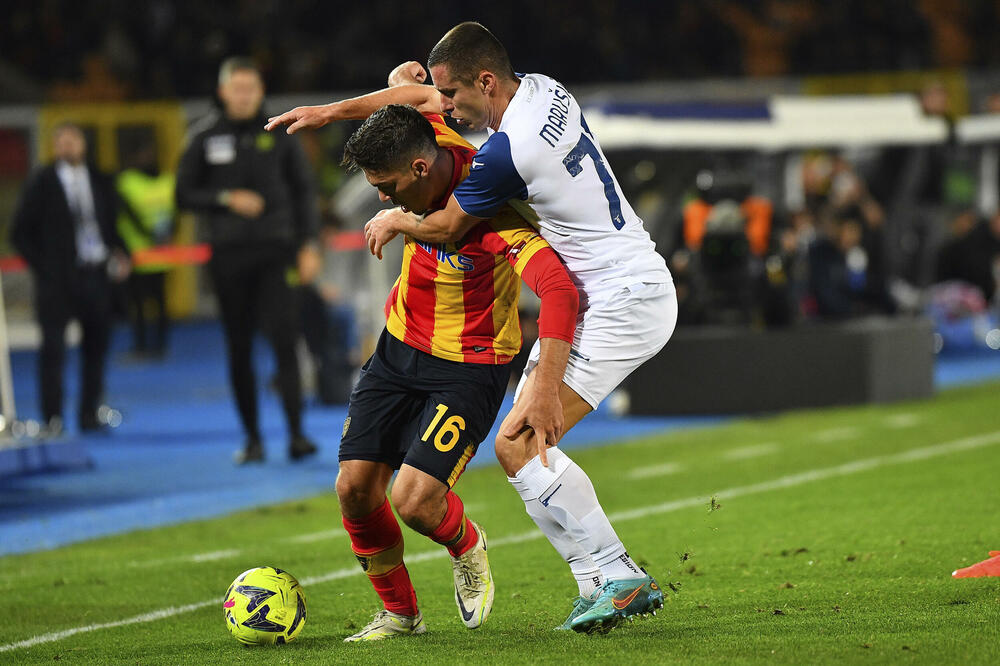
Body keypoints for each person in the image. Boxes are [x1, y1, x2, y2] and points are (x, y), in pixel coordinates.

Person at [266, 22, 675, 633]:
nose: (446, 107)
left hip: (617, 297)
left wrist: (402, 221)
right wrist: (335, 111)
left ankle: (615, 574)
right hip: (617, 285)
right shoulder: (543, 90)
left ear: (485, 82)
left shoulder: (505, 162)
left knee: (520, 438)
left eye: (453, 96)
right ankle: (600, 584)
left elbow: (455, 229)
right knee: (516, 446)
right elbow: (419, 101)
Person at [335, 105, 578, 640]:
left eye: (387, 185)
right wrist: (328, 111)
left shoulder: (498, 207)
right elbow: (407, 88)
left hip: (470, 367)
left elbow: (559, 290)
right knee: (354, 488)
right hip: (399, 347)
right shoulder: (432, 136)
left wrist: (545, 387)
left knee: (415, 501)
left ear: (420, 171)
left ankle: (466, 544)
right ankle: (400, 615)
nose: (381, 197)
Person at [175, 57, 321, 464]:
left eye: (250, 89)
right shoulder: (203, 137)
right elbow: (182, 194)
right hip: (228, 257)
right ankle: (253, 439)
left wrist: (310, 244)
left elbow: (304, 192)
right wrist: (225, 198)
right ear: (222, 92)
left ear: (260, 92)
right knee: (238, 348)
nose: (243, 96)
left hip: (277, 253)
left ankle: (296, 435)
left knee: (285, 341)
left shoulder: (280, 134)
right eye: (236, 89)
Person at [11, 123, 130, 435]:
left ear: (83, 144)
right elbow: (19, 233)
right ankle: (53, 418)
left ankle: (89, 413)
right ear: (54, 147)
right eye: (61, 142)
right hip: (58, 282)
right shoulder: (42, 182)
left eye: (72, 141)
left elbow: (110, 225)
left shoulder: (100, 179)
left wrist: (122, 253)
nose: (68, 147)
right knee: (53, 351)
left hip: (96, 275)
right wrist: (45, 269)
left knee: (97, 348)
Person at [116, 140, 175, 358]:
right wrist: (154, 235)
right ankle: (143, 345)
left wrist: (163, 235)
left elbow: (174, 212)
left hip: (155, 254)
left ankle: (158, 346)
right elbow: (126, 213)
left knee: (156, 304)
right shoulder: (128, 182)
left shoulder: (165, 181)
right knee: (140, 305)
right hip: (138, 254)